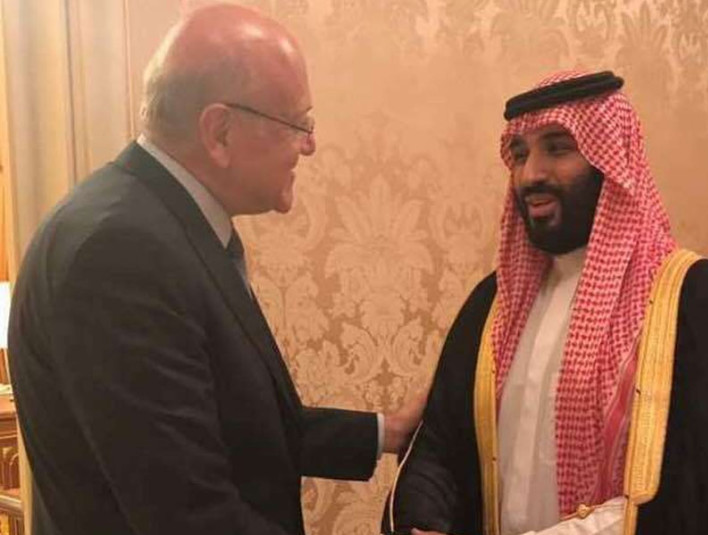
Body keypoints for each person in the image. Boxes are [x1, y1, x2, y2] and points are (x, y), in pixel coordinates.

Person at [8, 4, 424, 535]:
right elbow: (189, 515)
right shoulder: (121, 253)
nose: (310, 145)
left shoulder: (160, 224)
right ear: (220, 132)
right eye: (298, 124)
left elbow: (243, 429)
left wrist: (389, 432)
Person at [382, 70, 708, 535]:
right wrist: (422, 521)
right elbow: (438, 445)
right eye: (520, 154)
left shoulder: (693, 299)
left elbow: (707, 481)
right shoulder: (493, 304)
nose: (531, 174)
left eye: (558, 148)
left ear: (610, 161)